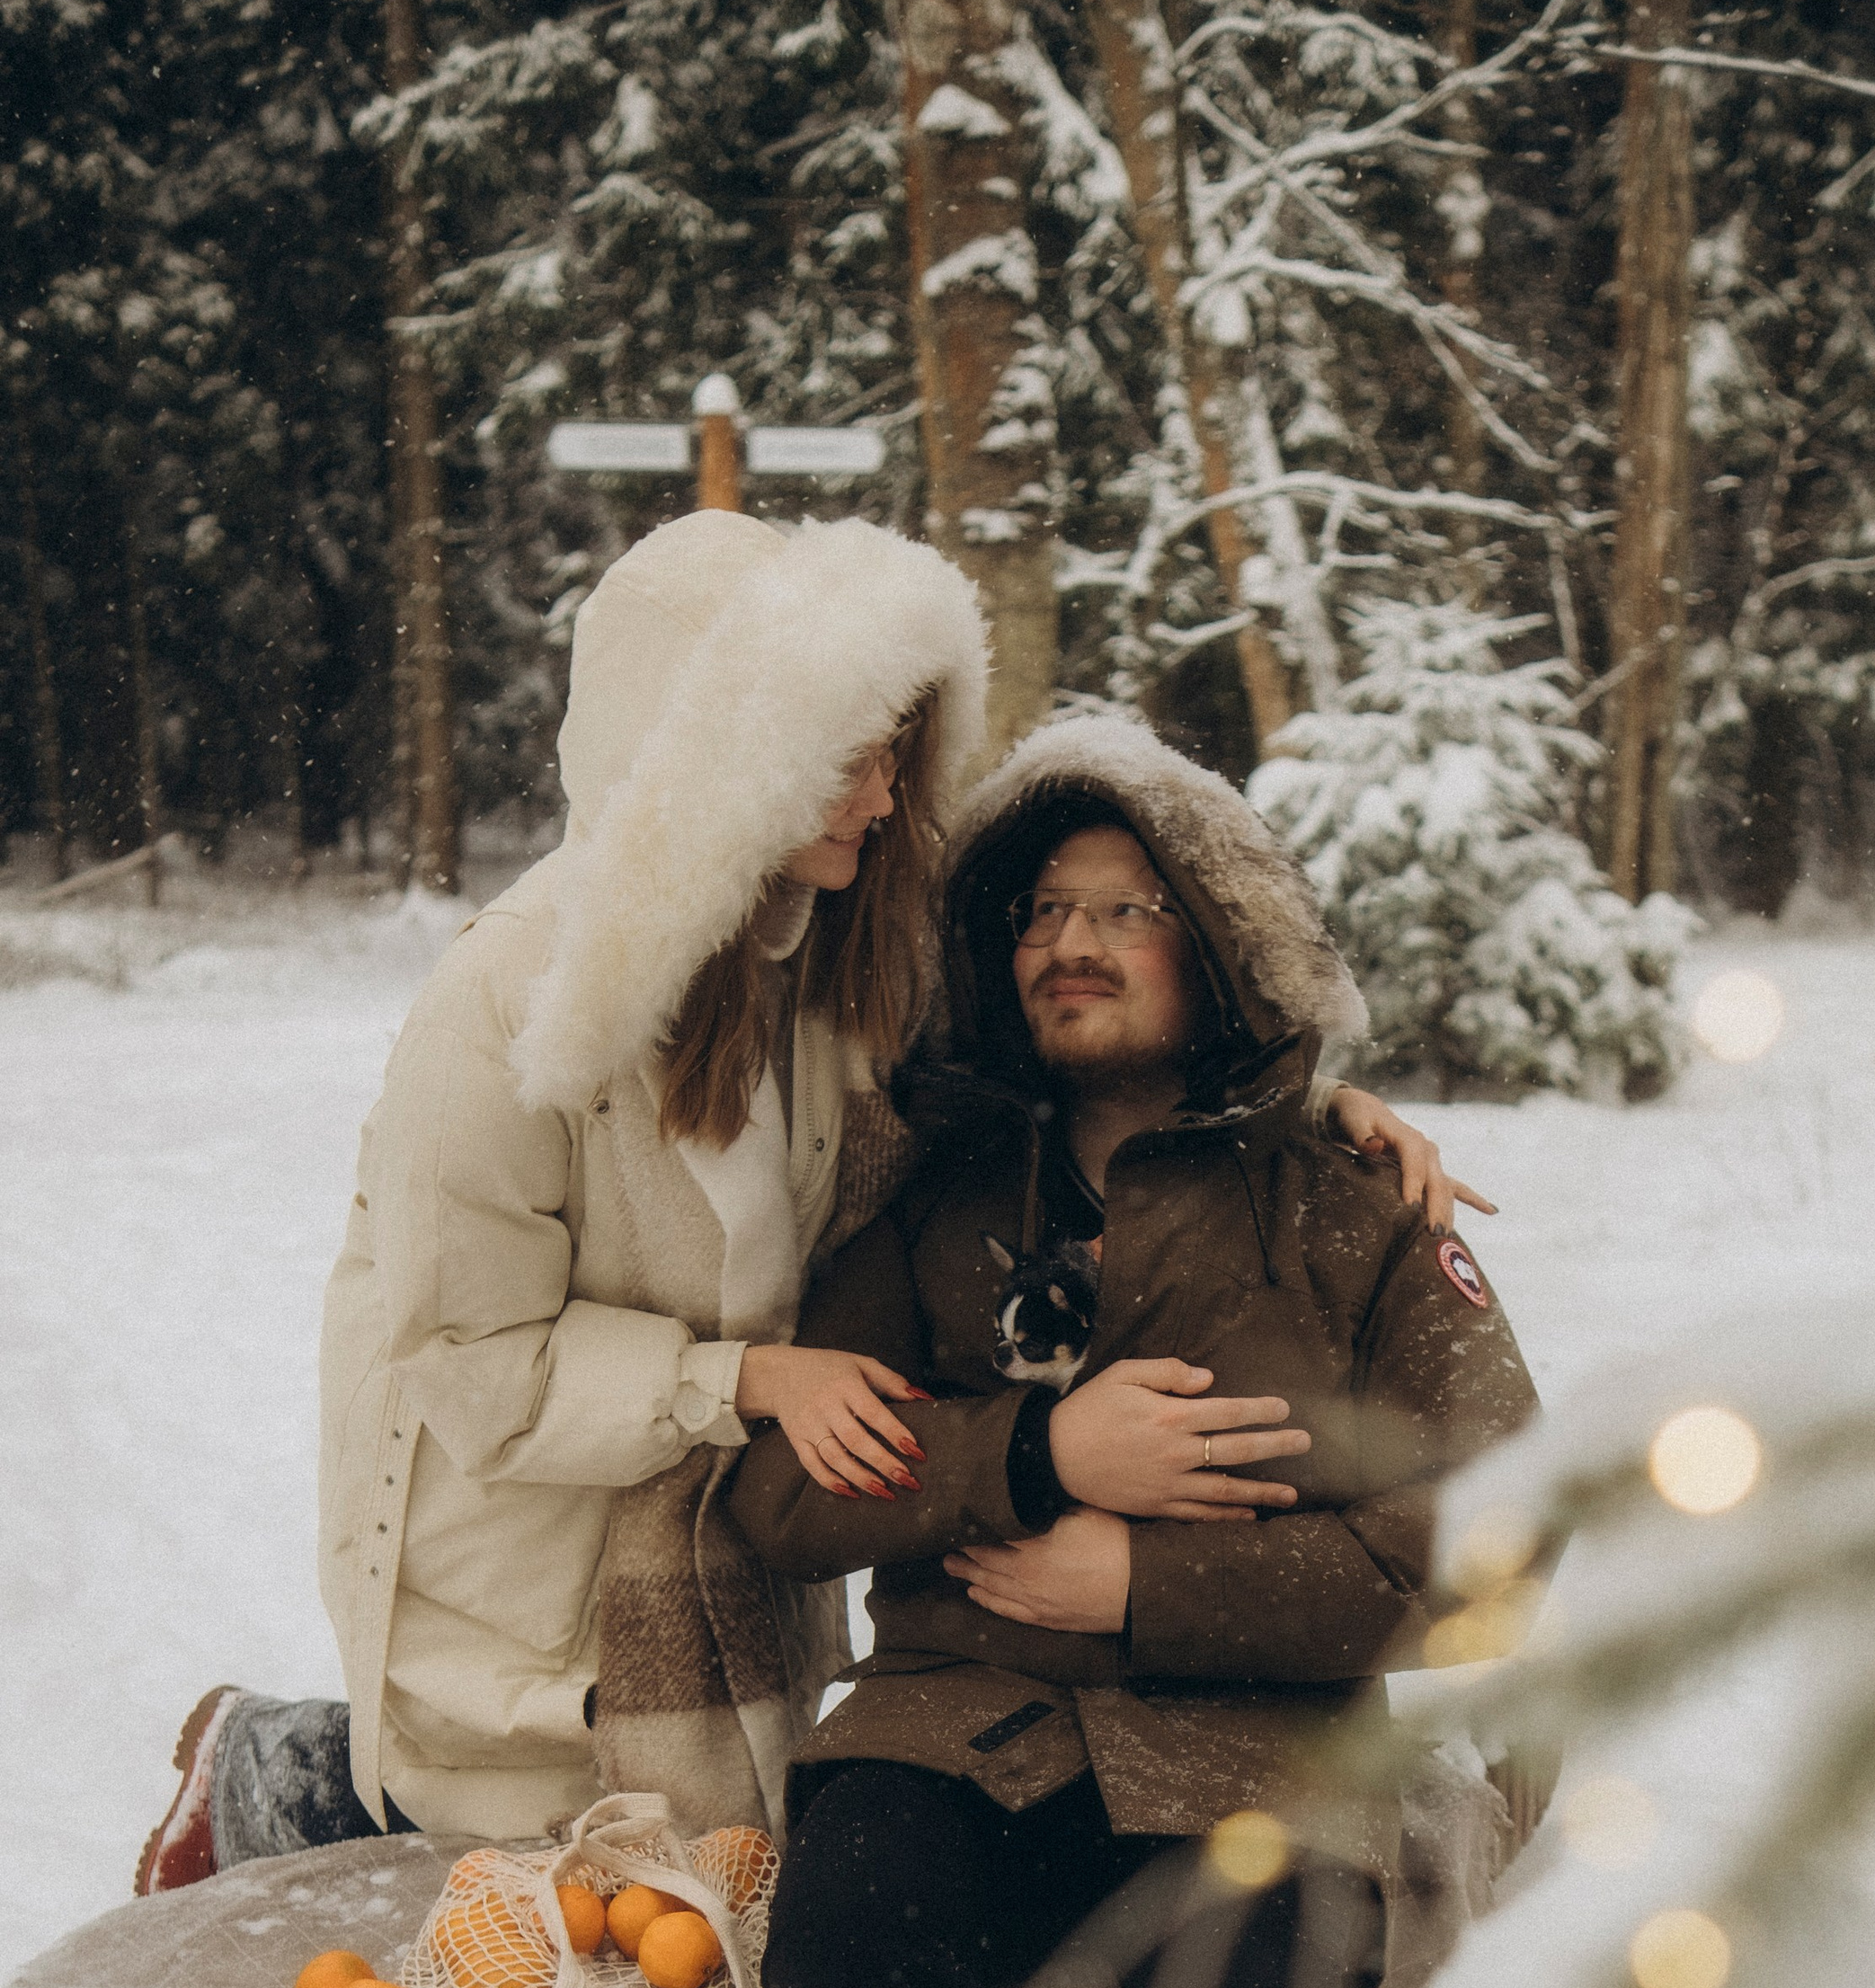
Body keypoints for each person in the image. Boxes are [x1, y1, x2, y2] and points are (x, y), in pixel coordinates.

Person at [133, 515, 1472, 1890]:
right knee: (534, 1834)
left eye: (898, 751)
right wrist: (745, 1378)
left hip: (752, 1483)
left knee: (726, 1862)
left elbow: (1096, 1024)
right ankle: (276, 1781)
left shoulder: (846, 941)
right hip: (532, 1492)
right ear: (717, 759)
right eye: (846, 757)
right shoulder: (505, 1008)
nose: (887, 797)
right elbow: (469, 1362)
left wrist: (1305, 1112)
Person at [706, 709, 1537, 1988]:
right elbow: (786, 1501)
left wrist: (1152, 1594)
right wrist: (1021, 1460)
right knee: (849, 1930)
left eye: (1127, 912)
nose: (1074, 946)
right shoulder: (924, 1197)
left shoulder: (1341, 1204)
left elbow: (1505, 1536)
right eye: (1044, 915)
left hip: (1241, 1760)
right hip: (944, 1725)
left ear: (1221, 947)